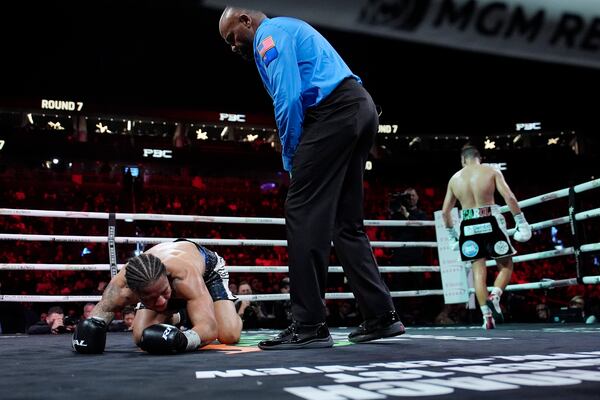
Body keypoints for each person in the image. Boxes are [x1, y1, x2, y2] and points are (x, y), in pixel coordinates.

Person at [219, 7, 404, 349]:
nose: (232, 46)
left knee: (302, 211)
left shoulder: (268, 37)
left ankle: (309, 324)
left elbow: (287, 98)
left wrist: (291, 156)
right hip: (360, 108)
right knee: (346, 223)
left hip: (333, 114)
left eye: (232, 37)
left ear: (247, 21)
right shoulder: (291, 28)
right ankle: (381, 316)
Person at [72, 239, 242, 354]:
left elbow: (209, 329)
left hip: (206, 269)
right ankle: (181, 316)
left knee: (228, 334)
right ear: (135, 293)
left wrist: (182, 340)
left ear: (166, 277)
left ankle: (231, 312)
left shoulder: (184, 276)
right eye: (151, 298)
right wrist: (91, 328)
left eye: (164, 292)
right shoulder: (122, 287)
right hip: (158, 278)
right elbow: (100, 312)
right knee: (141, 337)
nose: (160, 301)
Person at [442, 144, 532, 329]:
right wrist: (521, 222)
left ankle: (487, 317)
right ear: (479, 157)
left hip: (467, 226)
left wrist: (452, 237)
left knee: (478, 271)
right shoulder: (491, 171)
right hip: (490, 219)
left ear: (462, 159)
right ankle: (496, 294)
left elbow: (445, 213)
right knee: (506, 264)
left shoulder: (454, 179)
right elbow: (510, 198)